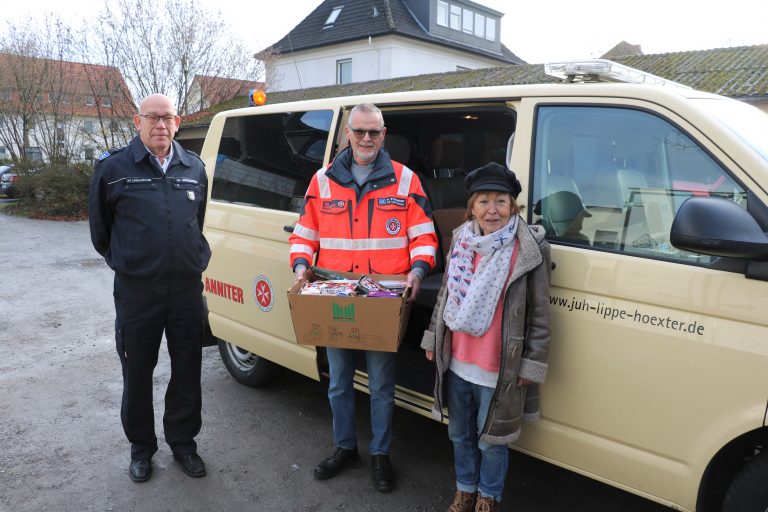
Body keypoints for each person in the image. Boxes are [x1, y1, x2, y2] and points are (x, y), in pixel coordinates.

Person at [289, 103, 438, 492]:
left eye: (374, 132)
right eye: (359, 132)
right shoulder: (321, 181)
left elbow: (424, 235)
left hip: (382, 300)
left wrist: (419, 270)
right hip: (336, 293)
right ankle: (344, 448)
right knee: (338, 381)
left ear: (384, 135)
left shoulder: (406, 181)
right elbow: (305, 233)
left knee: (381, 384)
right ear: (347, 135)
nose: (367, 139)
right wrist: (301, 265)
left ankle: (380, 454)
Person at [88, 93, 211, 483]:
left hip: (186, 291)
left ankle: (183, 443)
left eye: (167, 118)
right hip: (138, 292)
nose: (160, 125)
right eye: (152, 117)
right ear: (136, 121)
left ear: (177, 123)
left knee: (188, 369)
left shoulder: (194, 167)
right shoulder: (113, 168)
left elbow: (197, 222)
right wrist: (132, 264)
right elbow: (100, 232)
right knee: (138, 371)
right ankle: (142, 448)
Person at [421, 162, 552, 512]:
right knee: (459, 435)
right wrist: (433, 337)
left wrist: (532, 363)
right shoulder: (462, 241)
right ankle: (465, 489)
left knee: (492, 442)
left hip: (499, 368)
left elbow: (540, 315)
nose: (491, 210)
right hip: (460, 361)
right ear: (471, 207)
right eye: (483, 201)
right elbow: (446, 295)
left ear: (513, 207)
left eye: (500, 201)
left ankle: (487, 497)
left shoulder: (528, 248)